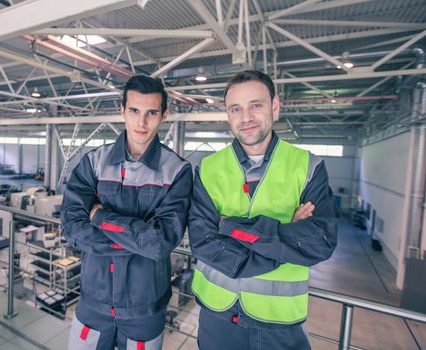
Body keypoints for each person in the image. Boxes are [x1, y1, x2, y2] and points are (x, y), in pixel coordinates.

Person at [188, 70, 339, 350]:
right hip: (216, 317)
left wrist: (228, 226)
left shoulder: (308, 167)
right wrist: (285, 238)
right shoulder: (208, 168)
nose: (246, 117)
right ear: (228, 114)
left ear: (275, 106)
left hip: (278, 324)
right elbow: (202, 242)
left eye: (255, 105)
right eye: (236, 109)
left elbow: (320, 242)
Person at [61, 75, 192, 350]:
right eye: (134, 110)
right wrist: (137, 240)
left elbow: (160, 242)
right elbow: (72, 227)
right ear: (121, 111)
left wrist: (99, 217)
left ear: (164, 114)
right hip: (92, 303)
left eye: (151, 113)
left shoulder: (177, 171)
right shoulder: (93, 163)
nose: (141, 123)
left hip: (144, 308)